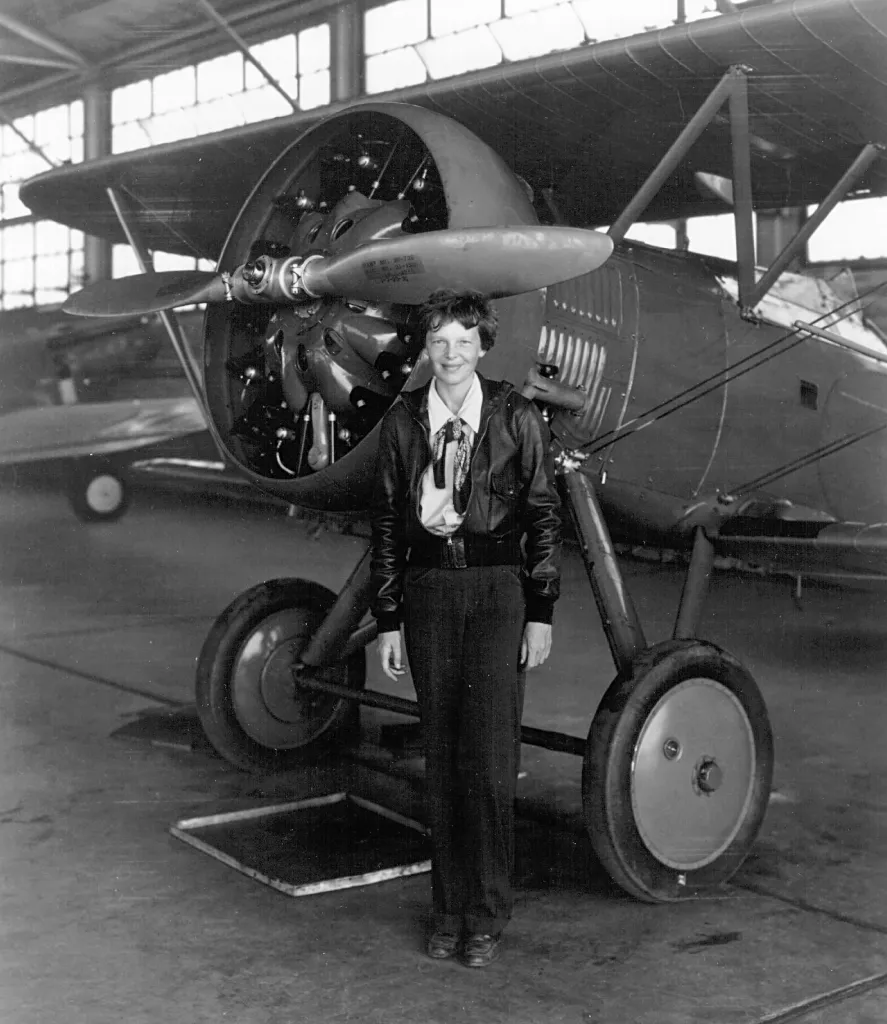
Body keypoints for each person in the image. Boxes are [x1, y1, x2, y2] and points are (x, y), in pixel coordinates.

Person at [370, 289, 562, 968]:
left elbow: (541, 514)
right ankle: (446, 910)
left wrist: (538, 610)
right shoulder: (403, 421)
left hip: (495, 592)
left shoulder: (515, 415)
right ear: (426, 349)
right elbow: (389, 524)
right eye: (438, 343)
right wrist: (388, 618)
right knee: (442, 760)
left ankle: (486, 914)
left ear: (483, 347)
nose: (450, 355)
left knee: (485, 759)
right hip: (427, 592)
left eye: (463, 342)